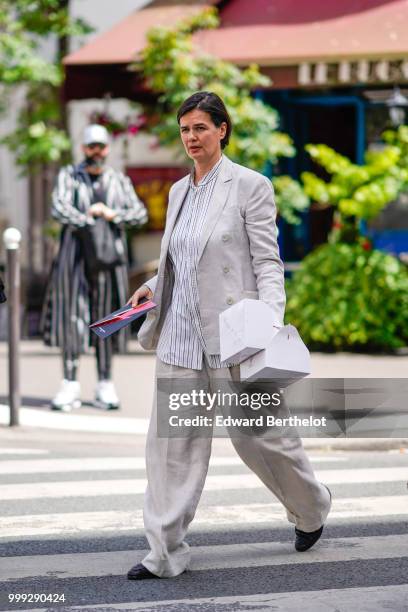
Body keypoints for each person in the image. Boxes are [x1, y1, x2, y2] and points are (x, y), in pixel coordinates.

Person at [126, 92, 332, 580]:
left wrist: (268, 322)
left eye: (200, 128)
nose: (191, 138)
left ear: (222, 130)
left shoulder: (250, 186)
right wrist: (153, 288)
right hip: (180, 337)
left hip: (234, 336)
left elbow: (266, 261)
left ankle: (311, 508)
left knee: (261, 436)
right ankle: (164, 552)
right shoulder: (178, 191)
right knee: (171, 447)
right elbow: (181, 261)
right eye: (184, 130)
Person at [42, 124, 148, 411]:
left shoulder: (118, 180)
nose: (96, 152)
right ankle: (69, 382)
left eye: (100, 146)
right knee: (72, 317)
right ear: (83, 148)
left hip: (107, 261)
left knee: (107, 320)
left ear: (107, 149)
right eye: (91, 146)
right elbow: (58, 207)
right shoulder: (69, 175)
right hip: (74, 258)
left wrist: (112, 214)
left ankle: (105, 383)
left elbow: (139, 213)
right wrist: (89, 217)